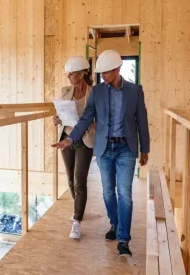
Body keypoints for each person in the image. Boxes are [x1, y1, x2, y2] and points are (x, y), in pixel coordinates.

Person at [52, 50, 150, 257]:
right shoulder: (97, 92)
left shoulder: (135, 91)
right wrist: (69, 139)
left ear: (118, 69)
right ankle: (114, 224)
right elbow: (86, 119)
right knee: (107, 192)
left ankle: (123, 239)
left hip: (126, 149)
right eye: (101, 73)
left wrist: (145, 149)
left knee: (125, 194)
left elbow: (141, 120)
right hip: (104, 149)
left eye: (106, 72)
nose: (103, 76)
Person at [53, 56, 95, 240]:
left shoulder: (94, 93)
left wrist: (90, 126)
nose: (69, 76)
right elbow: (60, 114)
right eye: (68, 73)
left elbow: (101, 120)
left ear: (83, 73)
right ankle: (78, 207)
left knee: (80, 180)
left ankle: (76, 221)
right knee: (70, 179)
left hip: (84, 140)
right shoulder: (66, 91)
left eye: (72, 73)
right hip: (66, 139)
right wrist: (56, 119)